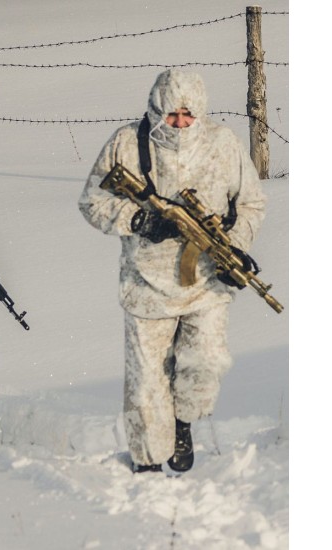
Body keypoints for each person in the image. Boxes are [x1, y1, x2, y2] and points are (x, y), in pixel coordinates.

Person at [78, 69, 266, 473]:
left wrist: (238, 249)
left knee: (207, 362)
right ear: (155, 108)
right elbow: (92, 201)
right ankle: (147, 460)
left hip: (207, 281)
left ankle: (182, 421)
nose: (180, 123)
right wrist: (138, 221)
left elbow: (250, 203)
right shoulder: (128, 143)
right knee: (147, 382)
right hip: (146, 283)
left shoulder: (222, 143)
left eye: (188, 115)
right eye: (171, 115)